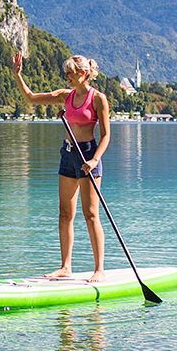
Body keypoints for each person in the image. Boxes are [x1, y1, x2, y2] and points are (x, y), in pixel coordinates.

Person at [13, 52, 111, 282]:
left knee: (91, 214)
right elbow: (30, 98)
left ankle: (99, 270)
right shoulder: (65, 96)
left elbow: (106, 136)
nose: (66, 76)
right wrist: (18, 75)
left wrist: (95, 159)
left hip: (88, 156)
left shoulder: (98, 99)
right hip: (67, 155)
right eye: (66, 72)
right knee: (65, 213)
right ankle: (66, 267)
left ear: (84, 73)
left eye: (70, 72)